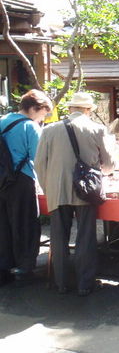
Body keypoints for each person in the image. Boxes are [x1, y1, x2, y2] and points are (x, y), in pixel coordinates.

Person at [35, 92, 114, 296]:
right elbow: (108, 165)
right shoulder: (97, 129)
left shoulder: (50, 130)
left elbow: (39, 164)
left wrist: (48, 187)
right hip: (85, 191)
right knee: (86, 237)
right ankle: (84, 285)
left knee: (58, 238)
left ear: (70, 108)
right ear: (88, 110)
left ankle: (60, 283)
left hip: (56, 190)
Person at [0, 89, 52, 286]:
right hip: (21, 180)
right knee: (25, 223)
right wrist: (45, 184)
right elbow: (39, 160)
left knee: (3, 224)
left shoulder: (3, 120)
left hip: (2, 180)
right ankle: (24, 266)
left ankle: (4, 267)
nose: (43, 118)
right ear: (34, 108)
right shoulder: (30, 127)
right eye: (44, 113)